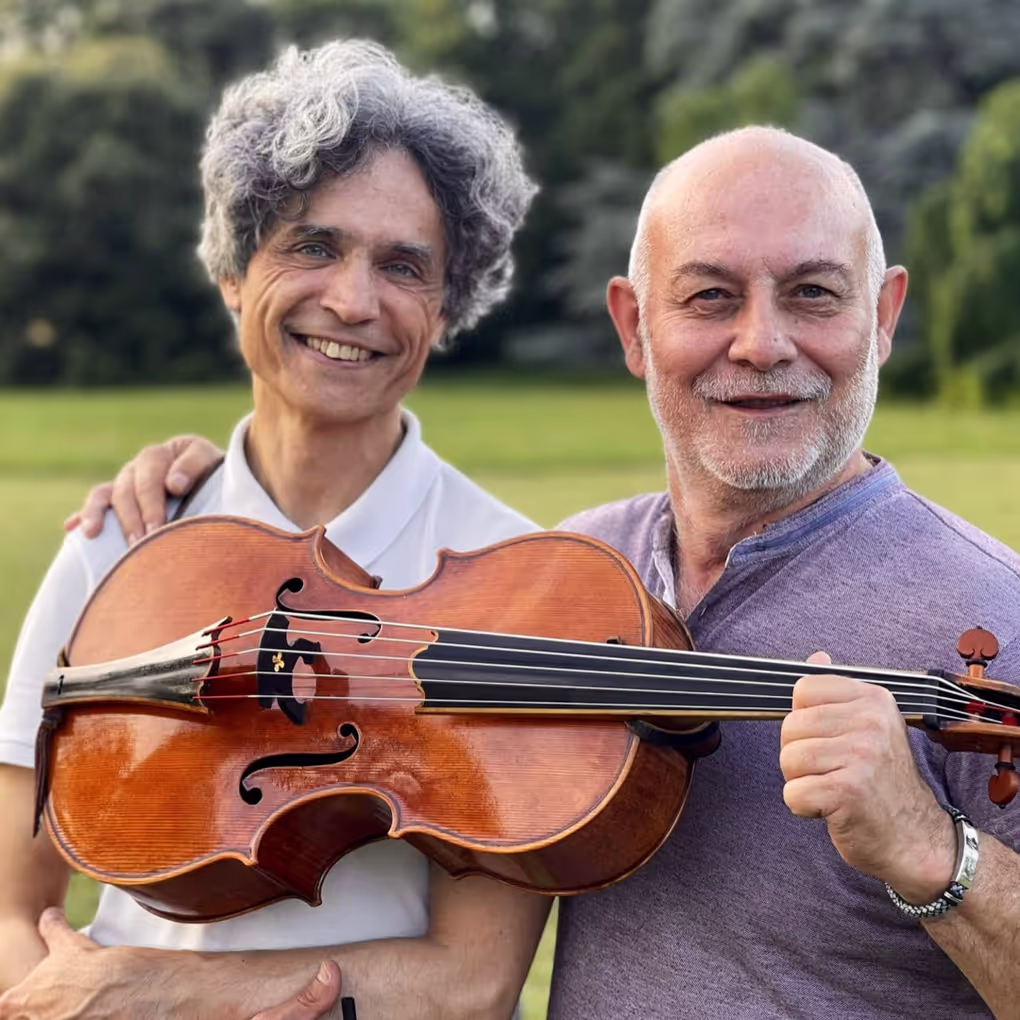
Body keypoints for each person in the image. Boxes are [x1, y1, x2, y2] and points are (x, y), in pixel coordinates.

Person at [102, 126, 1020, 1018]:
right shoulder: (572, 571)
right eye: (709, 297)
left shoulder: (992, 615)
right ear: (633, 327)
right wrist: (211, 483)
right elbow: (460, 962)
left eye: (815, 293)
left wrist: (936, 855)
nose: (761, 343)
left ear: (885, 315)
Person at [0, 38, 552, 1019]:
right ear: (233, 271)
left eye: (403, 265)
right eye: (312, 245)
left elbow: (470, 981)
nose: (353, 299)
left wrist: (158, 993)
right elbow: (8, 903)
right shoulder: (117, 545)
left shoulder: (516, 584)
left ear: (446, 308)